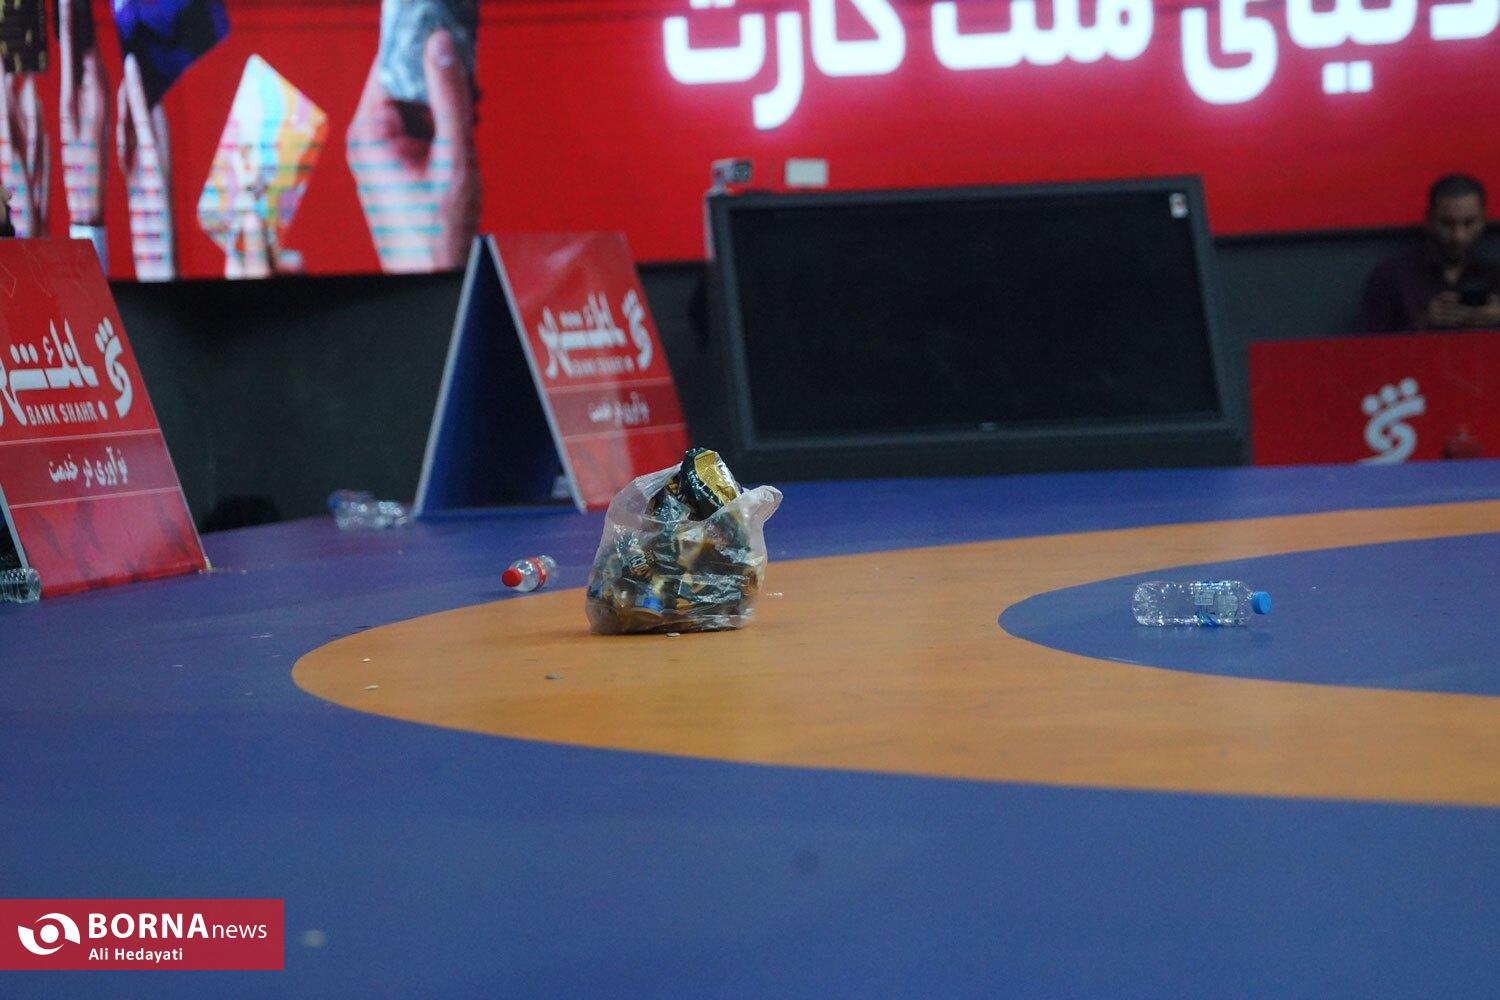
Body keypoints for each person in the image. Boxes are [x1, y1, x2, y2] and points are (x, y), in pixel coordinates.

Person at [1358, 174, 1500, 332]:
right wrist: (1424, 323)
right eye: (1447, 223)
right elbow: (1368, 342)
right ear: (1429, 220)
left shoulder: (1495, 275)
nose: (1458, 236)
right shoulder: (1392, 276)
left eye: (1469, 223)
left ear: (1483, 221)